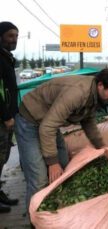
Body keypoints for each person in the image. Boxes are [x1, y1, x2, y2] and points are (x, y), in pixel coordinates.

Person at [14, 67, 108, 211]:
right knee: (39, 179)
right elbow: (46, 128)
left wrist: (102, 147)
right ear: (101, 85)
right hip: (29, 120)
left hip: (47, 121)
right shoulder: (78, 93)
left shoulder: (94, 96)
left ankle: (54, 209)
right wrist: (52, 162)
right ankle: (35, 220)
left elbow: (88, 122)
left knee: (64, 166)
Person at [0, 21, 20, 213]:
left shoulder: (7, 58)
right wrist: (6, 116)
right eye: (10, 36)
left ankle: (0, 193)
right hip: (1, 119)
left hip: (7, 118)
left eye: (16, 36)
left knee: (3, 157)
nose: (14, 40)